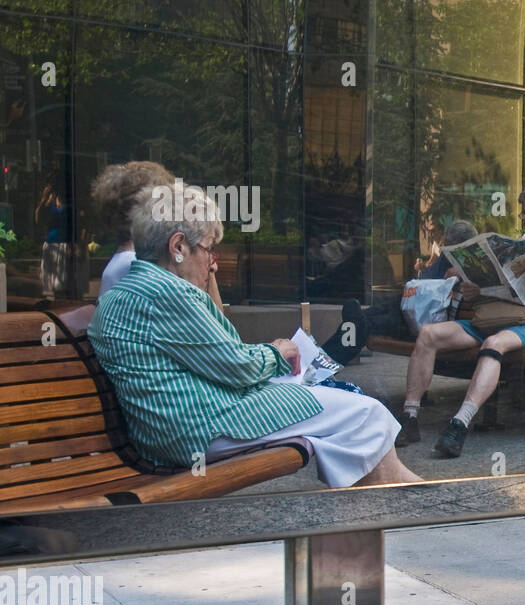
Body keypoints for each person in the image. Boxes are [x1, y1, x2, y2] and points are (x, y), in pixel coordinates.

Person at [87, 183, 420, 488]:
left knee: (351, 409)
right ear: (177, 246)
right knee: (364, 413)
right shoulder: (167, 293)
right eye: (209, 249)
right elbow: (238, 367)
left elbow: (220, 355)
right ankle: (403, 501)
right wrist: (277, 352)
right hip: (199, 430)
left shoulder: (128, 292)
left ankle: (409, 491)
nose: (213, 264)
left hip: (174, 428)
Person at [399, 182, 525, 457]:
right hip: (493, 317)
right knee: (428, 334)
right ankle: (410, 417)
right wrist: (476, 290)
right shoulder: (516, 247)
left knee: (494, 343)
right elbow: (499, 287)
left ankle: (459, 424)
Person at [319, 219, 477, 367]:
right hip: (411, 303)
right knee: (365, 319)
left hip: (422, 317)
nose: (445, 247)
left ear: (461, 243)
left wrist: (463, 271)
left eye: (449, 244)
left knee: (363, 324)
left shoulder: (472, 263)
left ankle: (323, 362)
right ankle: (325, 359)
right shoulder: (448, 257)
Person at [91, 162, 224, 306]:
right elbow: (212, 317)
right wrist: (206, 259)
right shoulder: (139, 264)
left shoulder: (119, 262)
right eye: (165, 199)